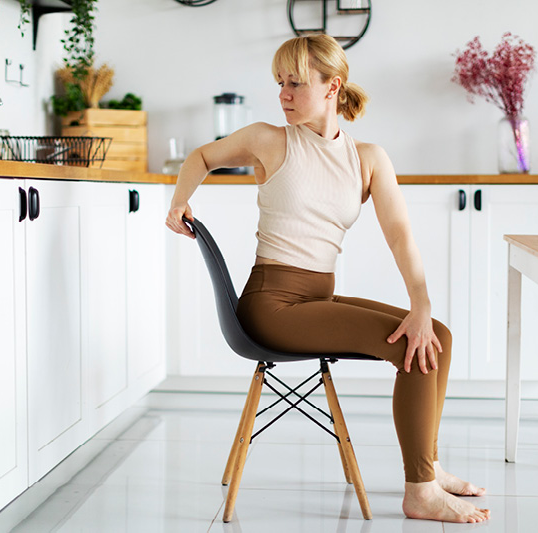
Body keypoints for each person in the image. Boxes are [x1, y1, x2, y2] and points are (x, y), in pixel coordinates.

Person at [165, 34, 490, 524]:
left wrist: (420, 304)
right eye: (279, 83)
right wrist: (178, 201)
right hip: (272, 307)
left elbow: (400, 235)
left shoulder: (368, 158)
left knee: (434, 334)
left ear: (332, 86)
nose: (283, 94)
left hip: (316, 300)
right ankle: (419, 490)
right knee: (412, 348)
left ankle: (430, 465)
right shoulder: (268, 139)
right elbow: (201, 158)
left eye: (295, 83)